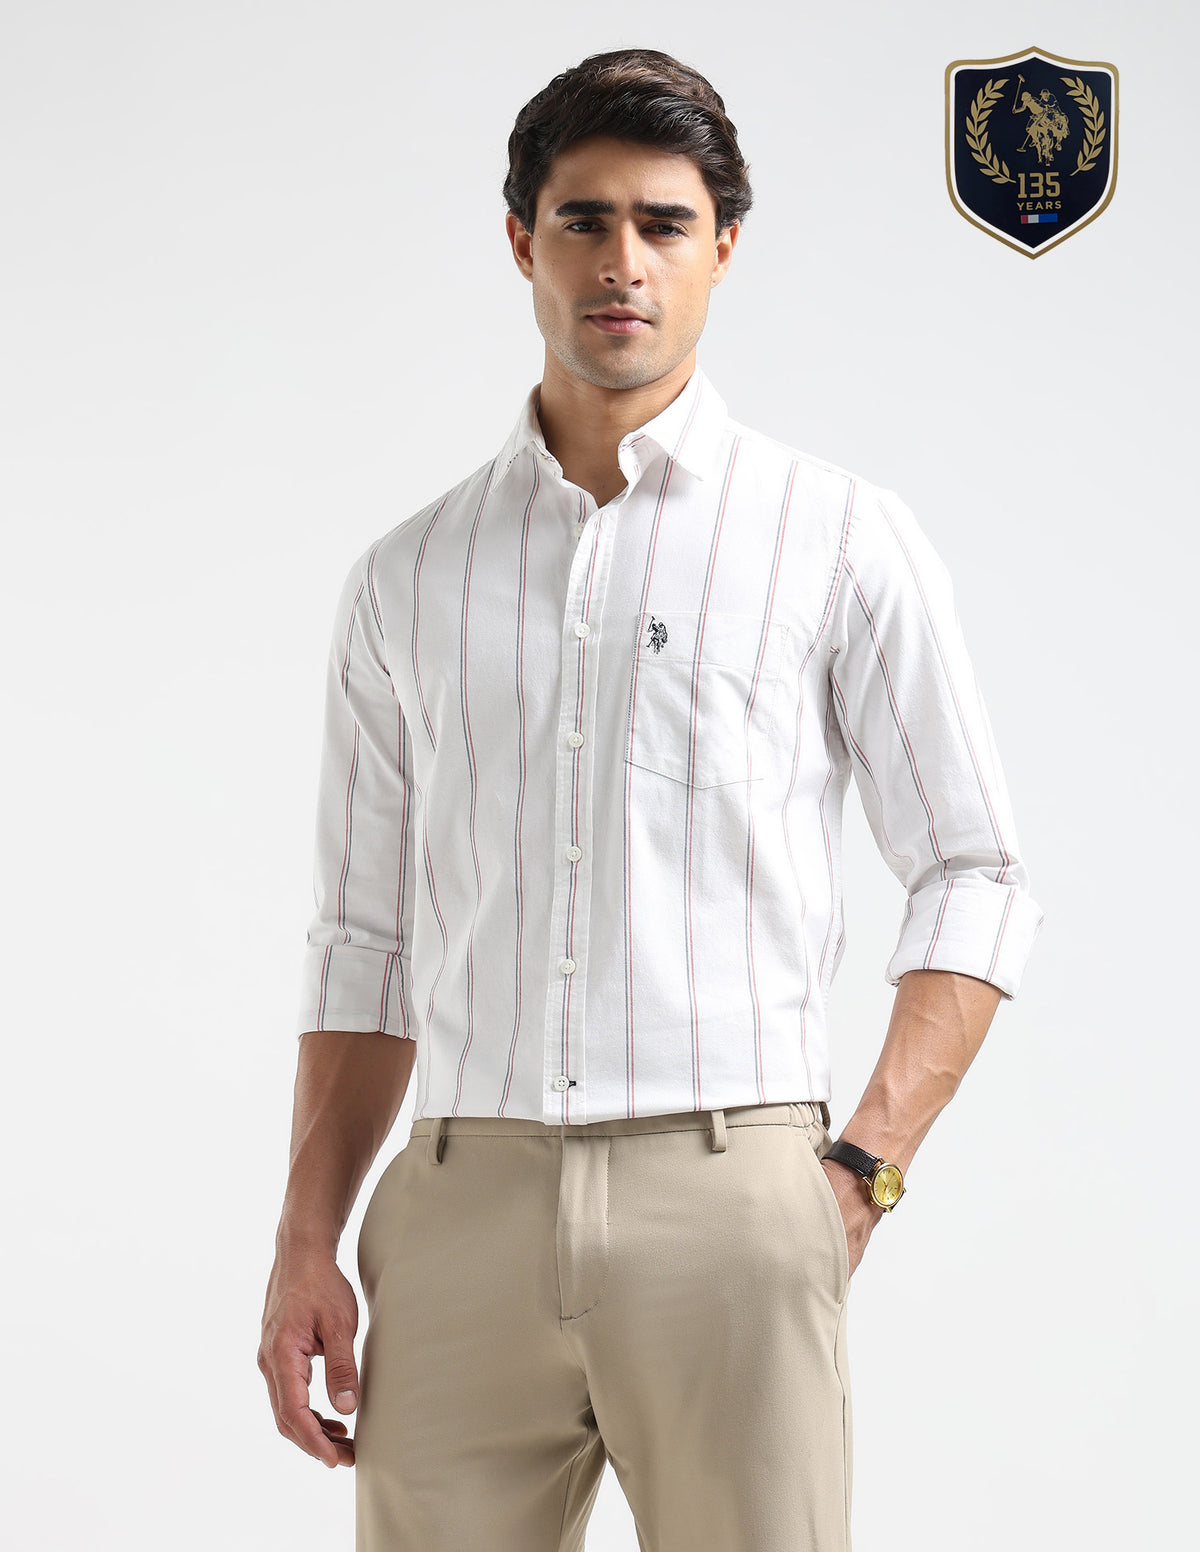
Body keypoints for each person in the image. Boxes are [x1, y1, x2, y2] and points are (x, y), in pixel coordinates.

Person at [258, 46, 1044, 1552]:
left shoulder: (833, 537)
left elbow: (976, 869)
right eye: (584, 219)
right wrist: (307, 1239)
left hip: (735, 1199)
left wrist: (863, 1168)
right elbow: (364, 942)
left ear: (722, 246)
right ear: (521, 241)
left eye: (664, 223)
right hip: (460, 1204)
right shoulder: (408, 577)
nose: (622, 261)